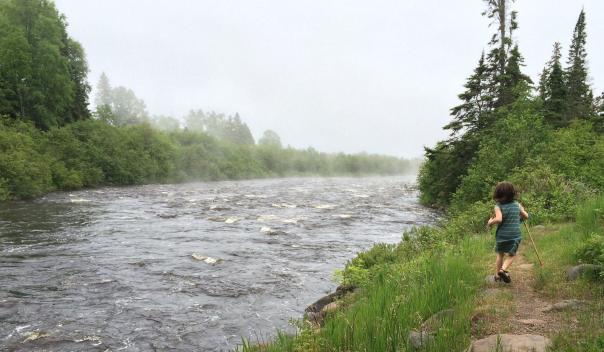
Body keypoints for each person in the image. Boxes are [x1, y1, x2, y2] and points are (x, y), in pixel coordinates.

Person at [487, 181, 529, 283]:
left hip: (502, 235)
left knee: (500, 254)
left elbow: (499, 219)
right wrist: (522, 210)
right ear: (512, 193)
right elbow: (526, 216)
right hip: (515, 235)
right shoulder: (517, 205)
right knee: (511, 255)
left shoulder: (498, 206)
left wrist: (490, 222)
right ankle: (503, 269)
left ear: (498, 194)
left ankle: (498, 275)